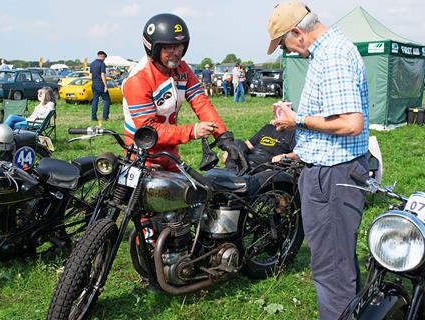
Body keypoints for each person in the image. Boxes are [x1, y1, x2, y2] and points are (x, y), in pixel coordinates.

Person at [267, 2, 369, 319]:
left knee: (331, 273)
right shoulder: (330, 51)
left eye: (284, 43)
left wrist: (299, 121)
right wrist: (301, 148)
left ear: (297, 31)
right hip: (333, 172)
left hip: (331, 178)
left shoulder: (333, 55)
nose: (289, 51)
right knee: (338, 262)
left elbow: (351, 123)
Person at [122, 13, 248, 174]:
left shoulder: (182, 69)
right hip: (143, 152)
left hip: (169, 148)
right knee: (157, 195)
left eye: (180, 46)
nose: (176, 52)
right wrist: (193, 131)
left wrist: (224, 139)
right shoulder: (139, 79)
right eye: (169, 47)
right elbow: (148, 131)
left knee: (191, 191)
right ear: (154, 48)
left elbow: (200, 102)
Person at [90, 50, 110, 125]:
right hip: (100, 84)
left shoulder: (92, 64)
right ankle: (105, 117)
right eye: (104, 57)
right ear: (102, 56)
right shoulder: (102, 64)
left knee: (95, 100)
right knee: (107, 100)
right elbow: (102, 75)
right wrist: (105, 85)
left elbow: (91, 74)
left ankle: (93, 117)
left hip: (94, 84)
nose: (104, 59)